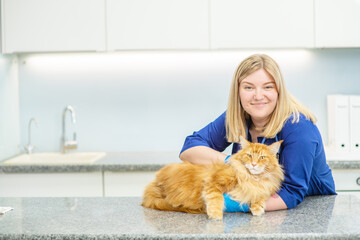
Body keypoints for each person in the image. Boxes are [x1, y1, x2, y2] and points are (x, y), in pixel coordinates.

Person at [179, 54, 336, 212]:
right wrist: (233, 161)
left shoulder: (299, 127)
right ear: (238, 91)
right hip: (256, 201)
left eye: (267, 87)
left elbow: (291, 193)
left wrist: (229, 204)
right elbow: (189, 149)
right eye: (248, 87)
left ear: (278, 91)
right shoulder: (238, 115)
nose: (258, 96)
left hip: (308, 209)